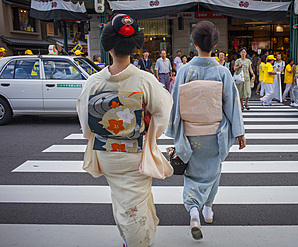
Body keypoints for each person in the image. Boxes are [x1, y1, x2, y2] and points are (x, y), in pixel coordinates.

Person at [76, 14, 173, 247]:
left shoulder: (94, 82)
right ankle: (136, 242)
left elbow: (85, 123)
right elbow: (163, 112)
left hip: (105, 152)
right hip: (134, 154)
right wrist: (150, 133)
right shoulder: (145, 80)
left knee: (121, 200)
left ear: (109, 47)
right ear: (134, 48)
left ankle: (132, 239)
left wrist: (101, 135)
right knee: (134, 204)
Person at [165, 20, 246, 241]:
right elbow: (231, 103)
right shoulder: (222, 72)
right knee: (213, 171)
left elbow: (176, 103)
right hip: (215, 134)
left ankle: (193, 212)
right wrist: (239, 132)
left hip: (190, 134)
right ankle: (208, 207)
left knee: (192, 174)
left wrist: (174, 130)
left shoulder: (184, 70)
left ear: (194, 43)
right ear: (215, 44)